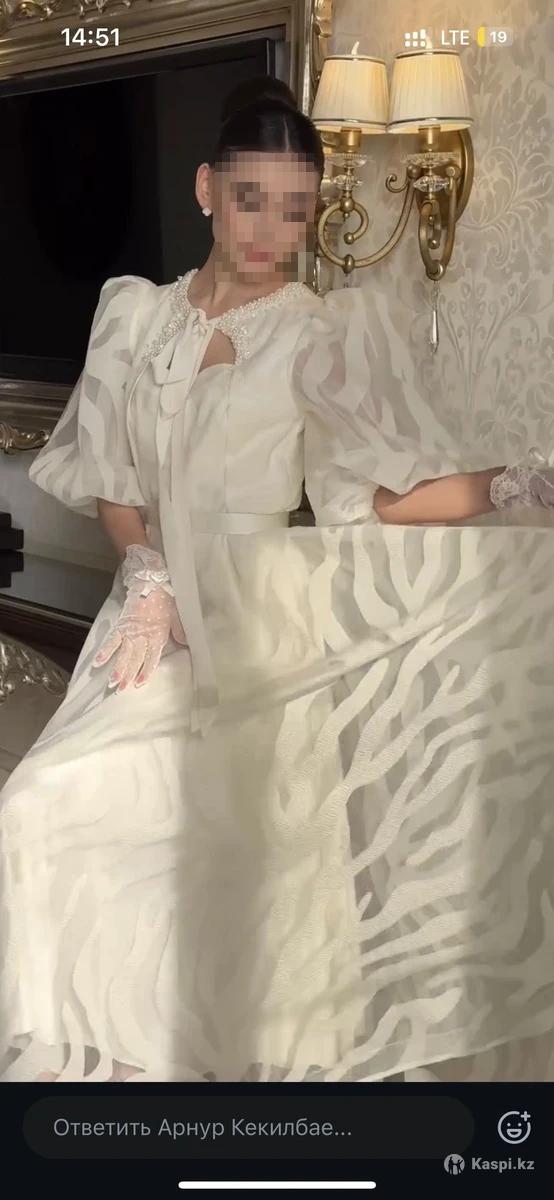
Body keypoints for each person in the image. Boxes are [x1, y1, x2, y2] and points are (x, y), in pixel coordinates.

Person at [1, 75, 554, 1085]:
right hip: (152, 614)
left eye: (294, 210)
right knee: (46, 800)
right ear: (208, 189)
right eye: (251, 199)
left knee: (256, 863)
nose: (270, 231)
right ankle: (111, 1033)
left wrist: (506, 484)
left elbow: (371, 497)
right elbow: (112, 484)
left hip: (261, 624)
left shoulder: (318, 331)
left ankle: (262, 1058)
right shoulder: (134, 315)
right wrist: (147, 570)